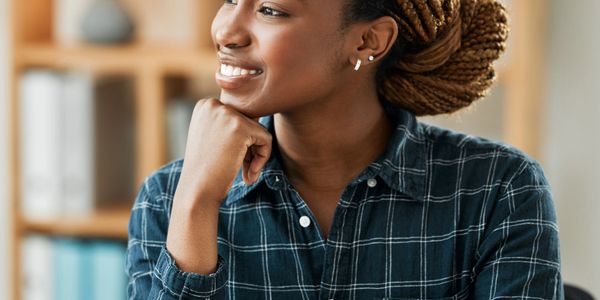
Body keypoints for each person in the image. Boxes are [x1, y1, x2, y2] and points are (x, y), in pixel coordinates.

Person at [126, 0, 563, 299]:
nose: (225, 30)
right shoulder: (170, 199)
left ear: (368, 41)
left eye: (271, 10)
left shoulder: (497, 189)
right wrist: (198, 203)